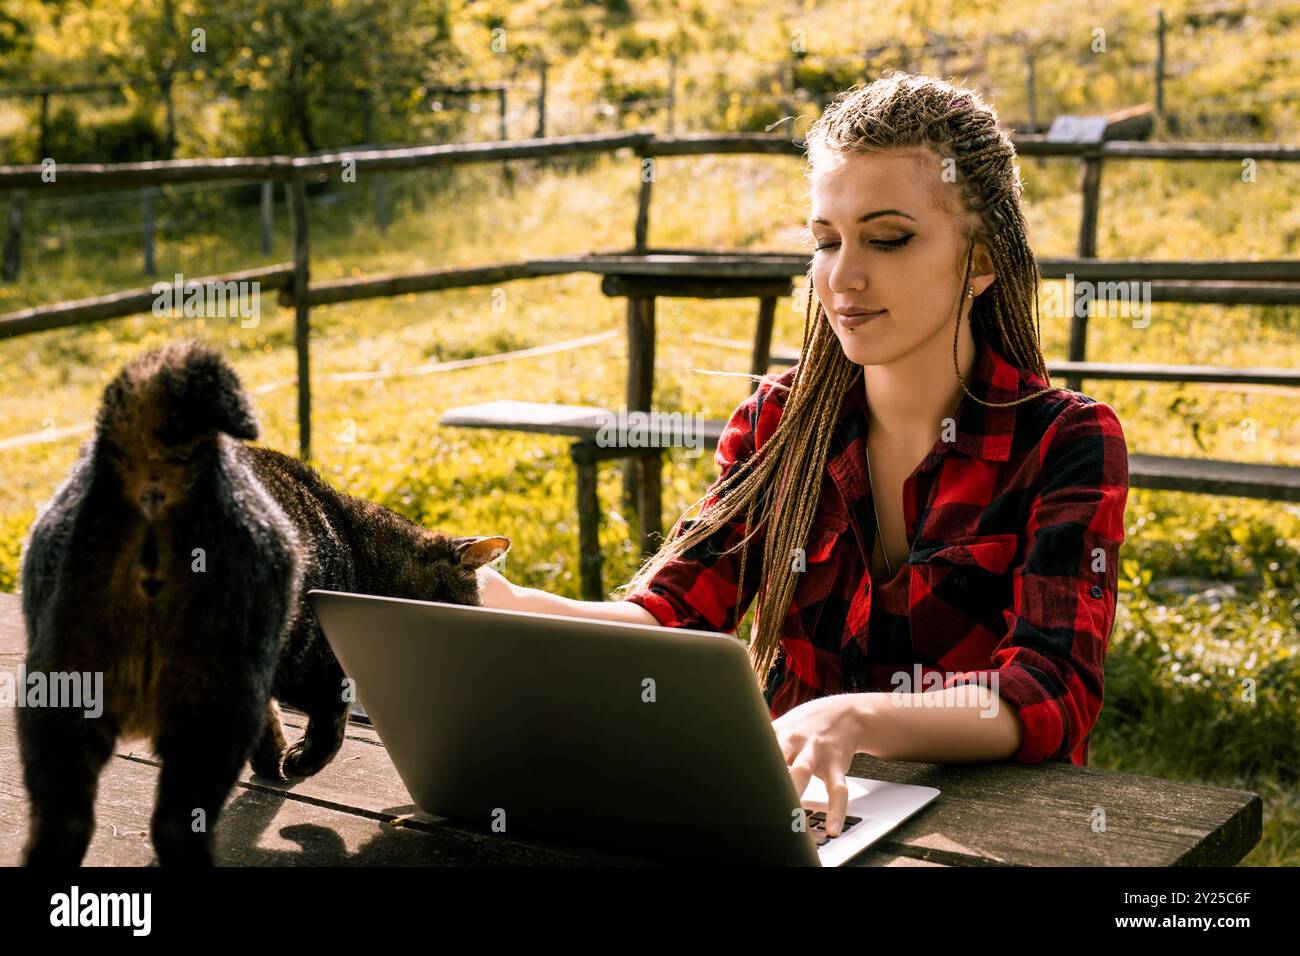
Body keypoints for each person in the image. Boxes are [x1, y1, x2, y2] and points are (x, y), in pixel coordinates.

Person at [476, 71, 1130, 837]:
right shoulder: (779, 425)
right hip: (799, 825)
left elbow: (1050, 685)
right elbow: (675, 613)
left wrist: (854, 717)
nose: (844, 277)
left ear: (981, 259)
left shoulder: (1066, 441)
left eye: (888, 239)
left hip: (993, 837)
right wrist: (518, 609)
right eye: (826, 241)